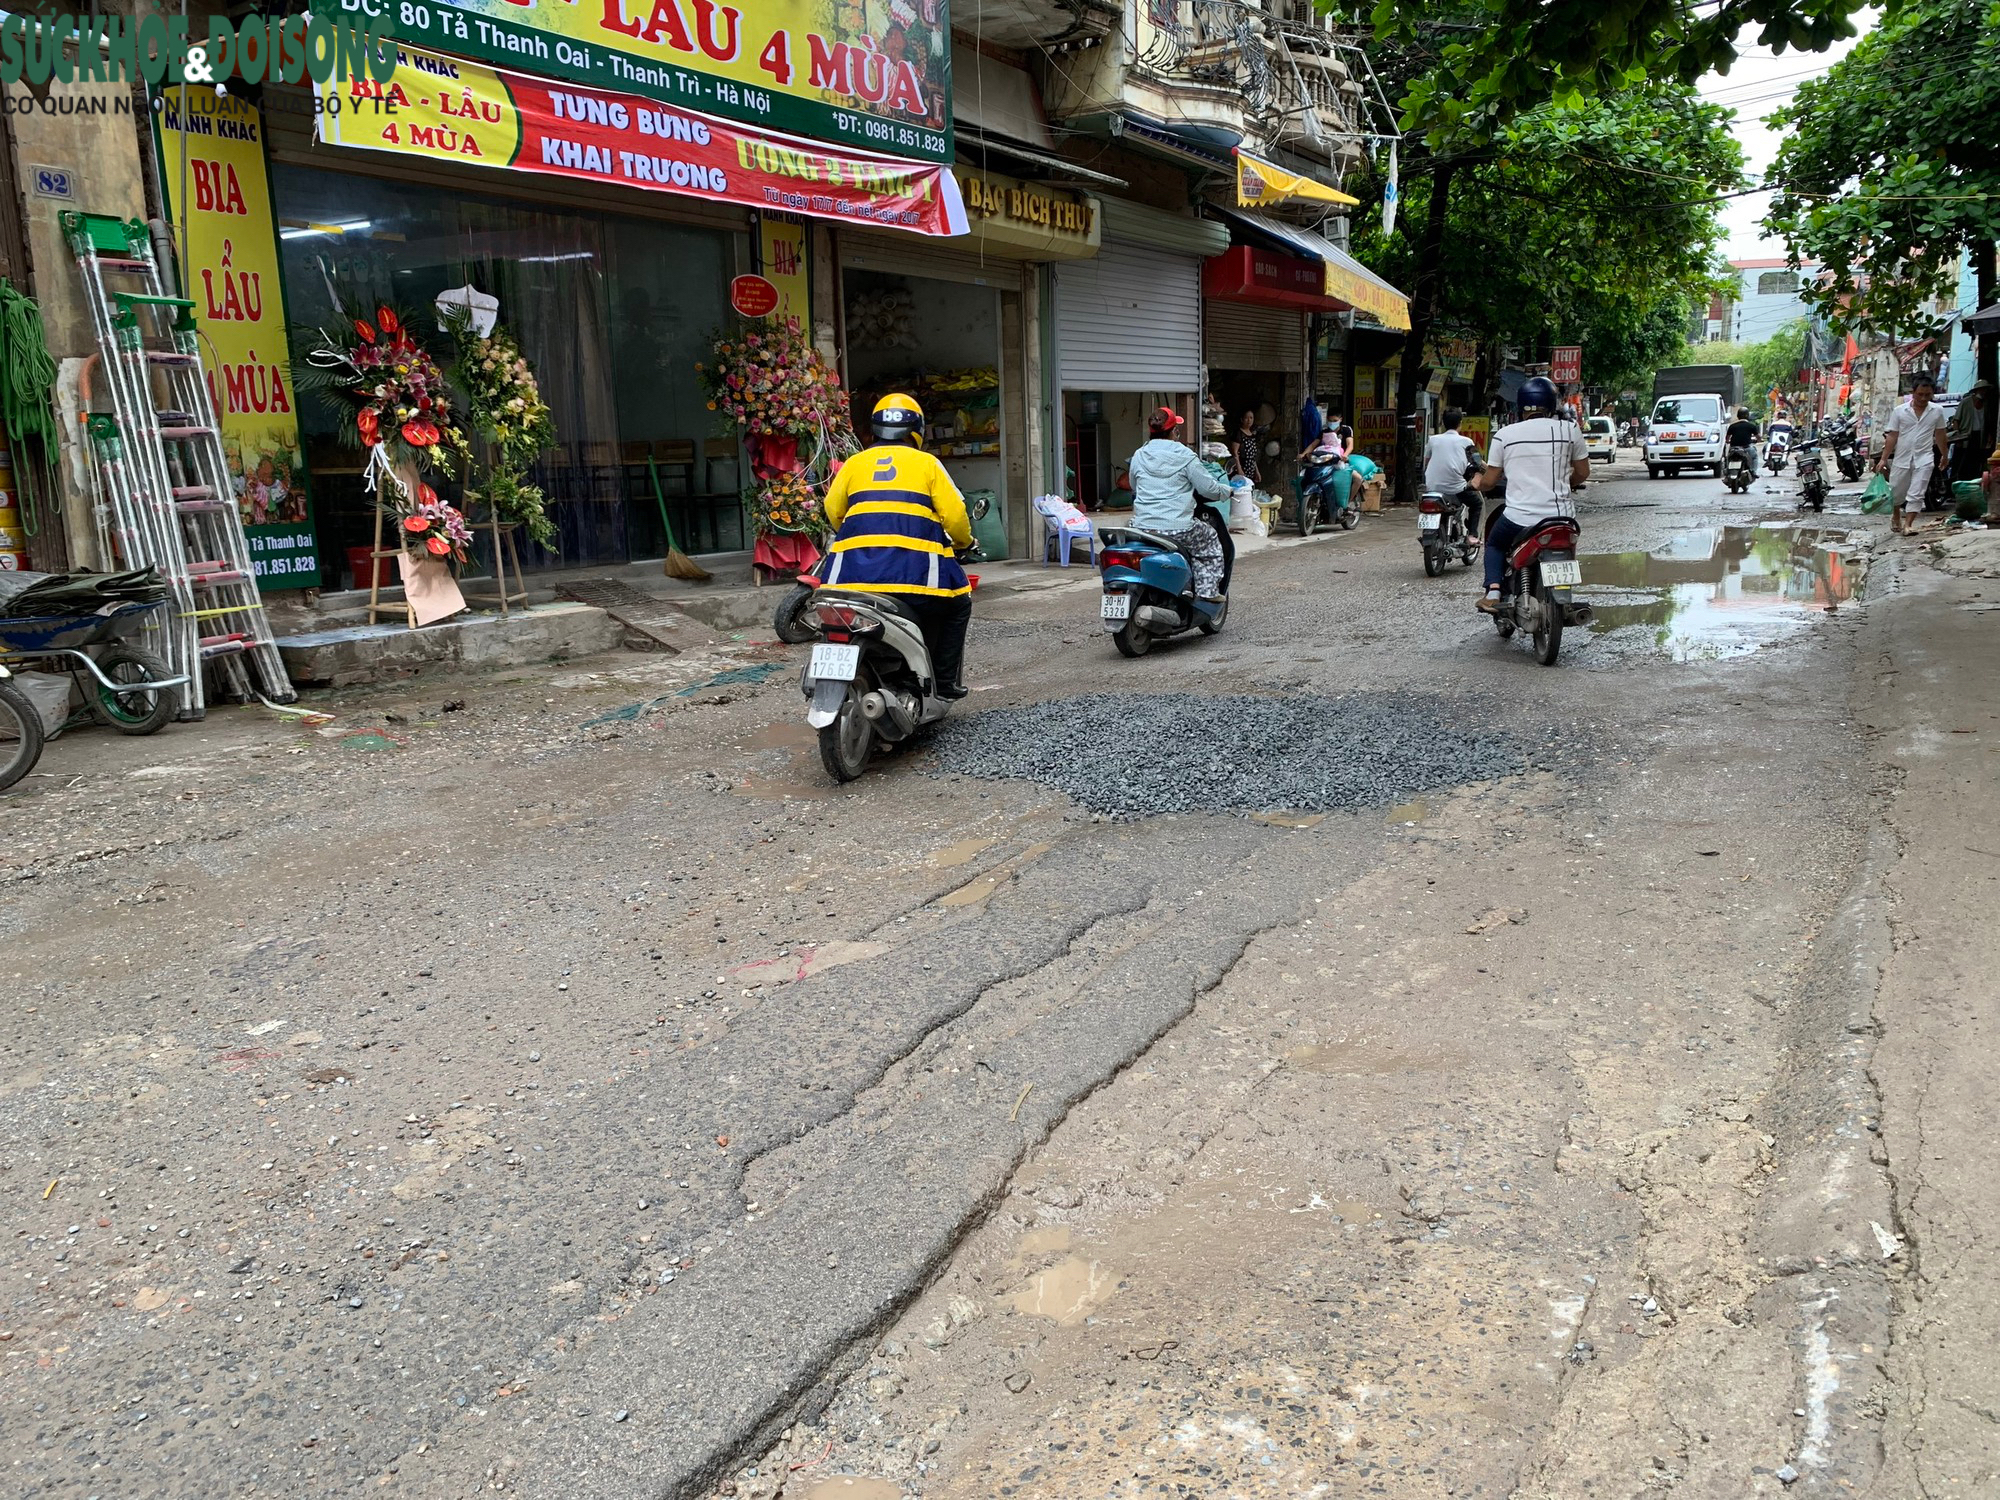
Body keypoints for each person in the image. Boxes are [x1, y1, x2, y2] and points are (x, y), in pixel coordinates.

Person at [820, 393, 975, 697]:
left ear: (876, 429)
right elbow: (955, 516)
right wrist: (963, 542)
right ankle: (943, 683)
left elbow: (832, 510)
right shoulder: (927, 463)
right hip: (912, 579)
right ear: (916, 430)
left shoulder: (853, 464)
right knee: (959, 605)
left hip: (850, 579)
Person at [1474, 376, 1588, 614]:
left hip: (1519, 518)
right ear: (1551, 404)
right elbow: (1582, 473)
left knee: (1494, 543)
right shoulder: (1569, 429)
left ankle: (1494, 591)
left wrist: (1479, 484)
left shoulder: (1505, 435)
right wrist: (1568, 483)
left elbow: (1490, 480)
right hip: (1562, 519)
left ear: (1520, 405)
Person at [1127, 406, 1230, 600]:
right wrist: (1226, 491)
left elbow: (1134, 485)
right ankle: (1207, 593)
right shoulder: (1186, 456)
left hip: (1142, 528)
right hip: (1177, 528)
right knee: (1209, 541)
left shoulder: (1139, 455)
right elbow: (1208, 489)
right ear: (1174, 431)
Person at [1878, 370, 1949, 536]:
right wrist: (1883, 459)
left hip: (1924, 458)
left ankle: (1908, 525)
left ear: (1932, 393)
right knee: (1896, 490)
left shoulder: (1937, 411)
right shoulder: (1899, 411)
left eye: (1927, 395)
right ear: (1913, 393)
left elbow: (1940, 434)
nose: (1924, 398)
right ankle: (1896, 514)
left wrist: (1945, 455)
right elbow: (1892, 435)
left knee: (1917, 491)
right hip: (1902, 458)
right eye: (1920, 395)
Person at [1423, 409, 1483, 533]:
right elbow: (1478, 462)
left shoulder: (1432, 440)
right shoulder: (1467, 442)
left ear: (1443, 423)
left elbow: (1427, 463)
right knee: (1477, 504)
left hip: (1432, 486)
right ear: (1460, 423)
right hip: (1456, 488)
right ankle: (1472, 535)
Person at [1949, 380, 1994, 482]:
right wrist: (1958, 437)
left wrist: (1989, 437)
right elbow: (1956, 420)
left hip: (1979, 436)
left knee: (1976, 462)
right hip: (1965, 436)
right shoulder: (1966, 402)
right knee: (1961, 462)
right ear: (1977, 390)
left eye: (1985, 390)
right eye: (1982, 390)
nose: (1984, 392)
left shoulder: (1986, 405)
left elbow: (1988, 422)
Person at [1229, 410, 1262, 488]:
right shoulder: (1239, 433)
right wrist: (1239, 469)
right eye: (1246, 418)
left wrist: (1257, 471)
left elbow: (1252, 456)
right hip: (1241, 469)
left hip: (1250, 470)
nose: (1249, 420)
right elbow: (1234, 452)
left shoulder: (1252, 435)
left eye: (1251, 418)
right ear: (1242, 419)